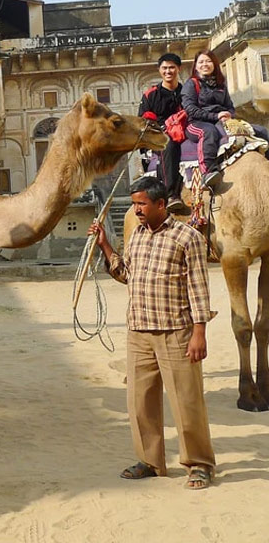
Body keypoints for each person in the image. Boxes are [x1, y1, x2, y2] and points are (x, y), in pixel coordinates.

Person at [88, 176, 216, 490]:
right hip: (139, 330)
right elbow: (127, 276)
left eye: (141, 204)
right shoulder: (136, 237)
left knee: (187, 402)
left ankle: (199, 464)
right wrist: (105, 246)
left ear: (160, 204)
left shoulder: (187, 238)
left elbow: (199, 289)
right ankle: (150, 461)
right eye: (134, 204)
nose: (137, 210)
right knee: (139, 401)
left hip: (176, 331)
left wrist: (199, 332)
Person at [181, 49, 269, 188]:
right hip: (197, 122)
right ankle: (208, 171)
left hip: (222, 121)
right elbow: (190, 109)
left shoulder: (220, 84)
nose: (205, 64)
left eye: (208, 61)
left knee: (261, 131)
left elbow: (230, 106)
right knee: (208, 133)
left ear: (214, 64)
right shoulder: (191, 84)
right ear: (196, 66)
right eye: (201, 62)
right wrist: (215, 116)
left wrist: (229, 115)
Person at [138, 53, 185, 211]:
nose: (168, 71)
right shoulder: (150, 95)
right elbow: (143, 122)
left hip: (184, 131)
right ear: (159, 70)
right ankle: (171, 194)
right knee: (168, 145)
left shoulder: (186, 92)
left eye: (172, 67)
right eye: (164, 68)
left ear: (178, 69)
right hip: (160, 135)